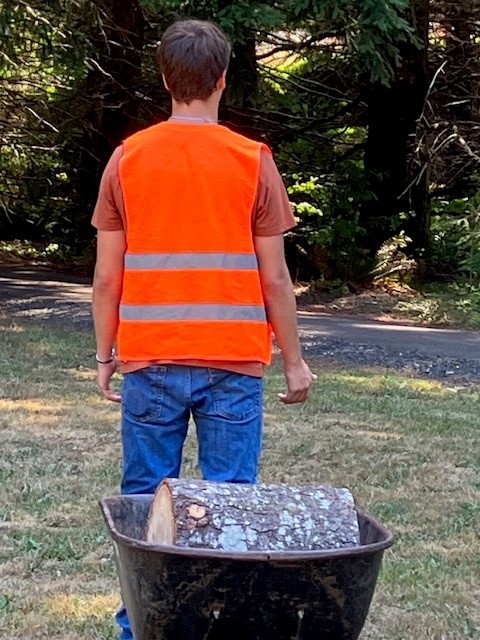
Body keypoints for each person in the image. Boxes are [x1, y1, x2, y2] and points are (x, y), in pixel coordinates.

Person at [91, 19, 316, 639]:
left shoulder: (127, 159)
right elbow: (275, 280)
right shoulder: (253, 161)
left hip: (149, 359)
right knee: (230, 503)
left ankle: (139, 627)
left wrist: (105, 352)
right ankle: (221, 626)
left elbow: (107, 278)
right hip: (234, 364)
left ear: (165, 78)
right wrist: (294, 360)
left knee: (144, 501)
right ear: (222, 79)